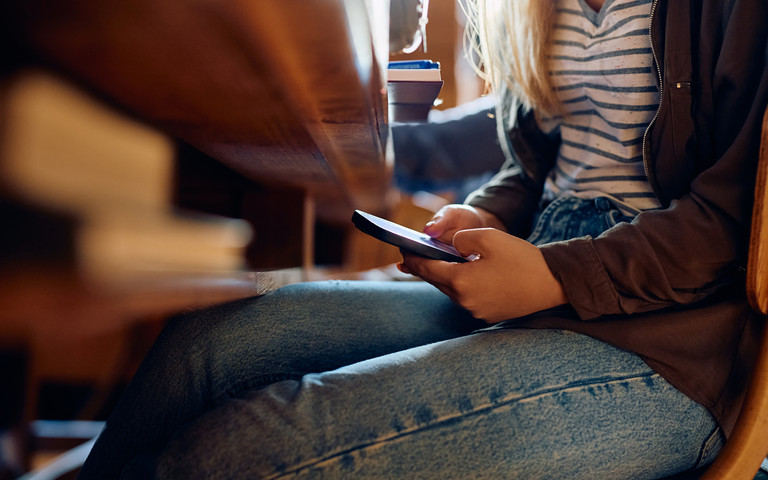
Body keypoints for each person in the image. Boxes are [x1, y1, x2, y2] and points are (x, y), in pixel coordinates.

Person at [79, 0, 768, 478]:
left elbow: (733, 219)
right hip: (542, 278)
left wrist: (557, 276)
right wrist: (488, 216)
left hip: (670, 346)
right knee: (207, 343)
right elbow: (536, 163)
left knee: (226, 458)